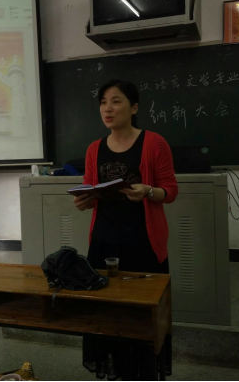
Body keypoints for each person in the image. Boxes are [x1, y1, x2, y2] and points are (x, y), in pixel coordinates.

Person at [74, 79, 178, 380]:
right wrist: (85, 200)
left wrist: (148, 191)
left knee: (141, 319)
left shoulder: (154, 143)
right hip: (104, 244)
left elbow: (170, 191)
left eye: (116, 101)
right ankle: (118, 373)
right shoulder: (94, 149)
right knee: (109, 317)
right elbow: (92, 189)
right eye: (103, 102)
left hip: (143, 244)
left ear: (133, 108)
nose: (108, 108)